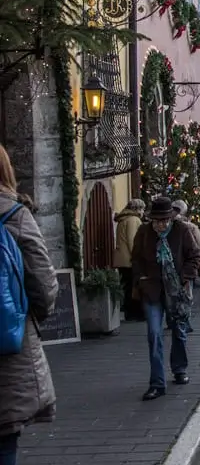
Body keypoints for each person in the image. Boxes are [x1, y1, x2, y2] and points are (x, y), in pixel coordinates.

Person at [0, 145, 58, 465]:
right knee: (4, 442)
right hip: (8, 344)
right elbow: (44, 285)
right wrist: (31, 316)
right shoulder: (13, 214)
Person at [131, 197, 200, 401]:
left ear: (171, 218)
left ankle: (179, 369)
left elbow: (195, 256)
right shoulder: (144, 232)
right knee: (154, 334)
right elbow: (136, 258)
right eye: (157, 221)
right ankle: (157, 383)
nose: (161, 225)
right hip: (152, 290)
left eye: (164, 220)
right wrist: (141, 279)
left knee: (179, 331)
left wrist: (185, 277)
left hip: (176, 290)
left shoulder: (182, 230)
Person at [171, 200, 200, 334]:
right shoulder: (191, 227)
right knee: (186, 295)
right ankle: (184, 322)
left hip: (168, 268)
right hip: (185, 267)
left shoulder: (162, 227)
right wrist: (196, 263)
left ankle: (172, 320)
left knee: (170, 295)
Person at [114, 198, 145, 321]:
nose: (143, 212)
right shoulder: (133, 220)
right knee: (134, 286)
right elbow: (133, 241)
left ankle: (129, 312)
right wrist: (138, 257)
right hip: (130, 260)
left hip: (122, 259)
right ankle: (134, 313)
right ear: (137, 209)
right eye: (142, 209)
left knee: (127, 286)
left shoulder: (123, 219)